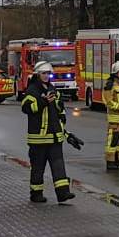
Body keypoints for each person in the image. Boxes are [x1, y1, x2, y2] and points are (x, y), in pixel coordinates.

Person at [21, 61, 80, 204]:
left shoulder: (53, 89)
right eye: (44, 73)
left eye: (48, 73)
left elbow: (57, 114)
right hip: (38, 139)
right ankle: (36, 194)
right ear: (37, 74)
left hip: (54, 138)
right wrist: (43, 102)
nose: (47, 76)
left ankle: (63, 193)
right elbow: (26, 108)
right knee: (38, 168)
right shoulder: (32, 90)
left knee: (58, 165)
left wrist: (66, 134)